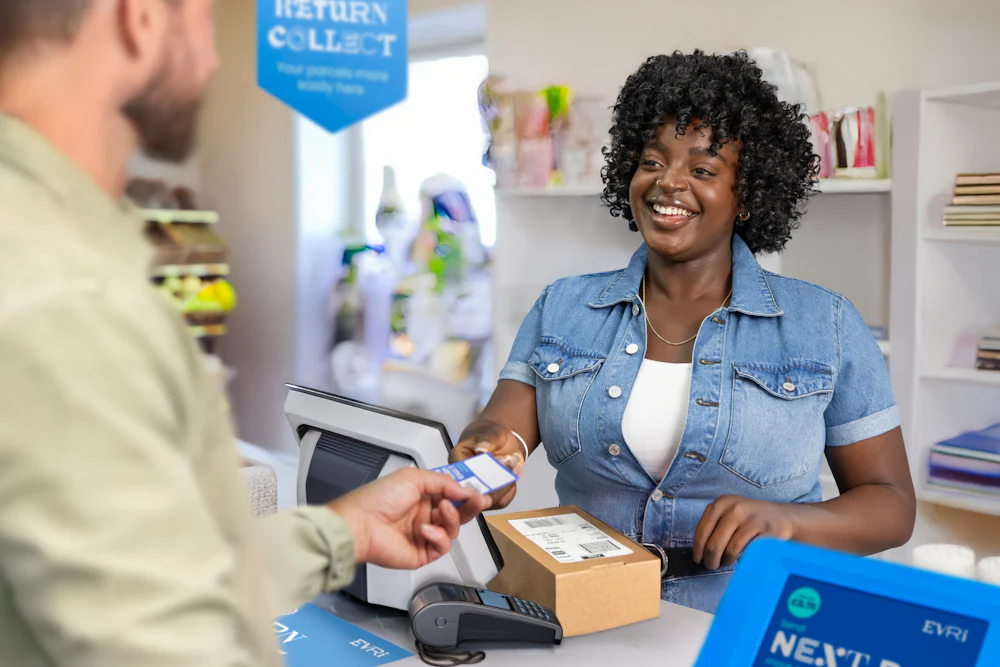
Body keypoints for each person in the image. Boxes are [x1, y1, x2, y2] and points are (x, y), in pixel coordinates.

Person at [0, 2, 491, 666]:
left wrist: (342, 531)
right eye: (203, 15)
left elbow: (152, 571)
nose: (212, 58)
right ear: (140, 17)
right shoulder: (72, 293)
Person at [453, 50, 916, 614]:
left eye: (702, 169)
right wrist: (487, 453)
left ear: (747, 193)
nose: (667, 183)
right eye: (652, 161)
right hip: (581, 613)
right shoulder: (564, 306)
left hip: (749, 617)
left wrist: (789, 523)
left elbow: (891, 507)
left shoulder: (827, 326)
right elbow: (505, 427)